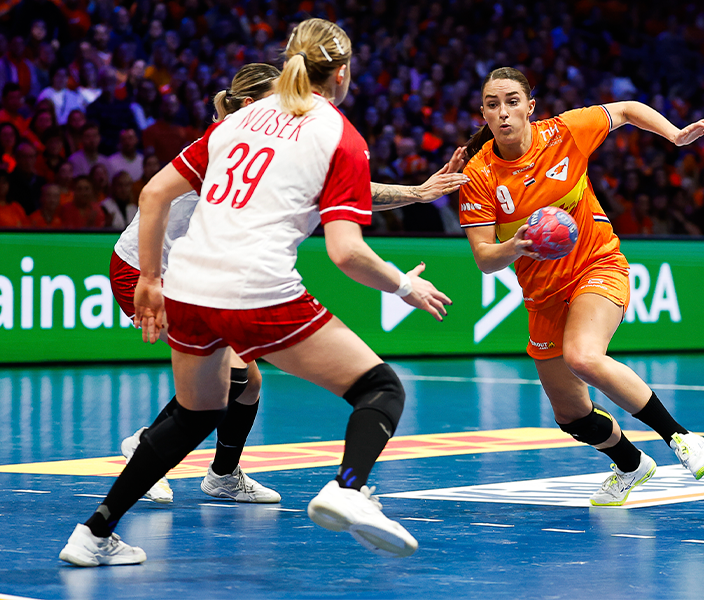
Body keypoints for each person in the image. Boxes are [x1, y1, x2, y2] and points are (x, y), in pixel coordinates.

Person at [59, 19, 456, 567]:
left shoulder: (239, 120)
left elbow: (151, 194)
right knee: (380, 389)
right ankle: (348, 488)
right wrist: (405, 284)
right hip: (253, 288)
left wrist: (151, 279)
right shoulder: (339, 135)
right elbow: (346, 252)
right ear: (342, 73)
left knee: (198, 411)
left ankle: (94, 533)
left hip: (186, 284)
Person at [110, 63, 469, 507]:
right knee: (228, 379)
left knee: (249, 382)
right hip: (146, 271)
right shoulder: (228, 143)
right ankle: (144, 445)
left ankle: (223, 475)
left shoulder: (261, 140)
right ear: (250, 104)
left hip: (199, 274)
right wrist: (150, 279)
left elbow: (332, 187)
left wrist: (415, 193)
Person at [459, 67, 704, 507]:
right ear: (483, 113)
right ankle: (631, 465)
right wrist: (517, 245)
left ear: (529, 107)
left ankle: (681, 437)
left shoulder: (564, 133)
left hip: (596, 265)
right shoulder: (480, 174)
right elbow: (485, 259)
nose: (502, 112)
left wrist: (675, 136)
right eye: (492, 104)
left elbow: (628, 109)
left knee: (582, 356)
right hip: (543, 295)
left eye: (512, 102)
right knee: (571, 414)